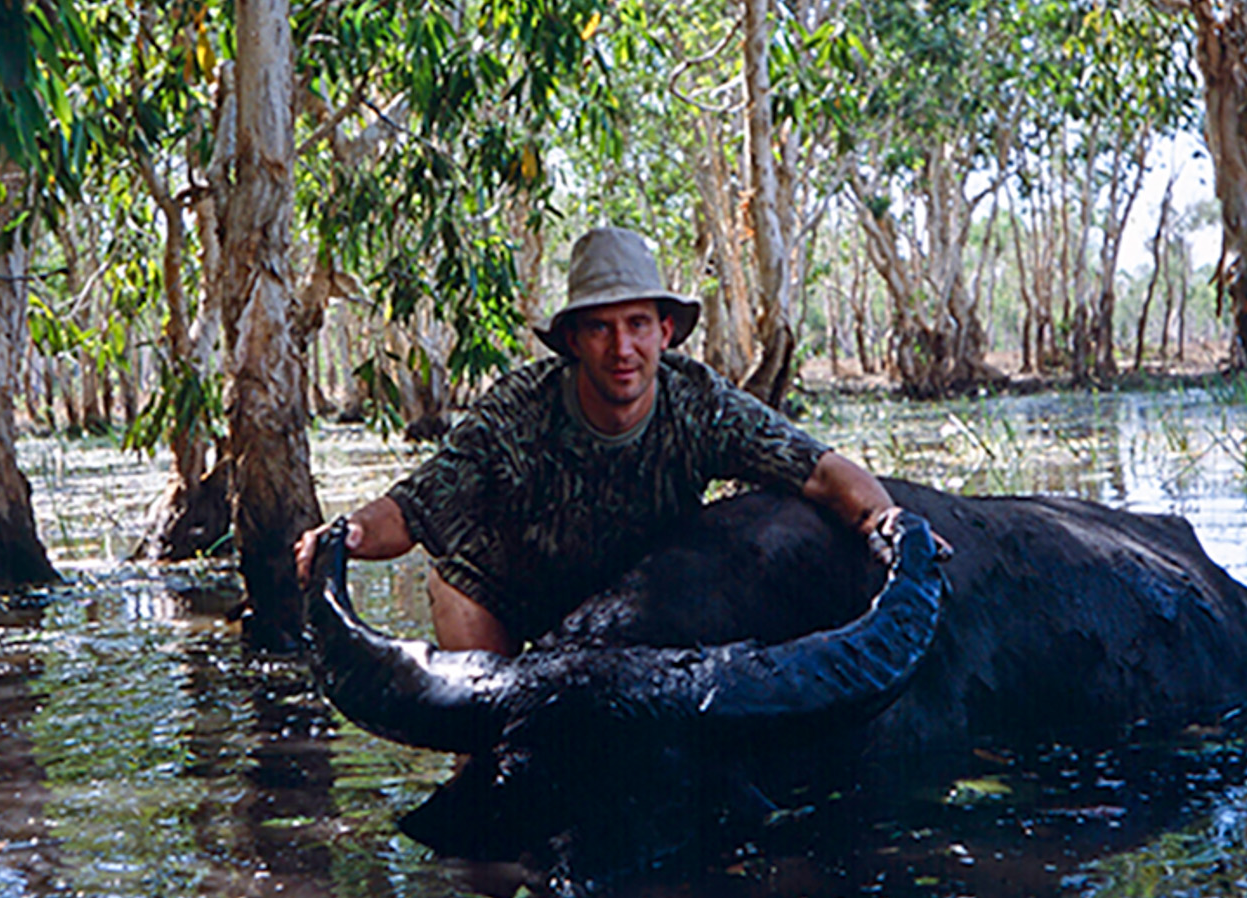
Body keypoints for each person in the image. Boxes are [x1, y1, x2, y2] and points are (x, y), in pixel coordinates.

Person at [295, 226, 917, 656]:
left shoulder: (699, 401)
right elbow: (412, 510)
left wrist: (888, 523)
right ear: (572, 340)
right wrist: (344, 536)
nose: (622, 350)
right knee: (494, 756)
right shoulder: (517, 410)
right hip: (503, 595)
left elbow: (818, 471)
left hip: (633, 600)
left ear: (666, 331)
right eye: (599, 328)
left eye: (637, 325)